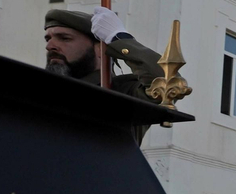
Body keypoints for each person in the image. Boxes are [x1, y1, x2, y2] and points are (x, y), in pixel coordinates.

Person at [43, 8, 163, 142]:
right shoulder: (41, 93)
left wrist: (117, 37)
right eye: (48, 39)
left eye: (65, 38)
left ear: (100, 48)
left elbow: (166, 82)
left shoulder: (123, 92)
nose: (50, 46)